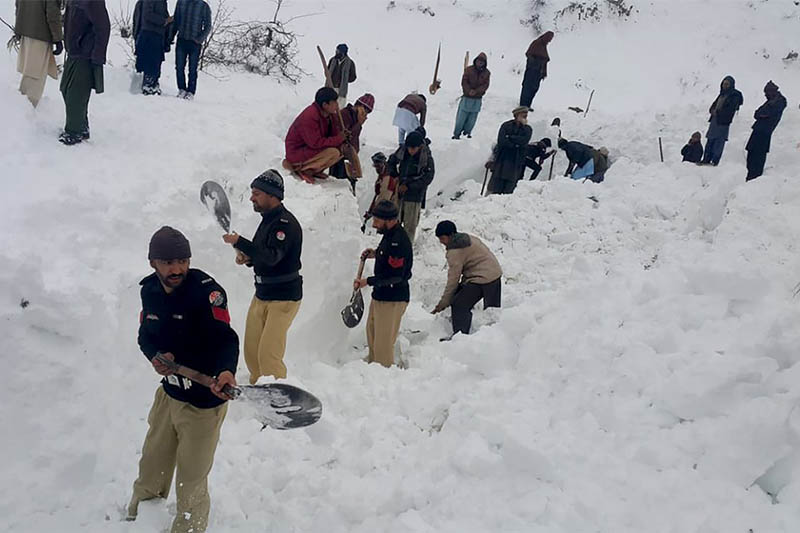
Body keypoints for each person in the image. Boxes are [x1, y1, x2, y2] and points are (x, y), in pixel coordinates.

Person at [127, 226, 239, 533]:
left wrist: (226, 370)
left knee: (191, 479)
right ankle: (139, 521)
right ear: (153, 263)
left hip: (203, 403)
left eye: (182, 261)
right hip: (169, 396)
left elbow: (226, 339)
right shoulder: (149, 290)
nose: (177, 269)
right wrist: (155, 356)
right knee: (152, 465)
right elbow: (144, 335)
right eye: (168, 262)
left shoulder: (207, 293)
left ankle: (188, 528)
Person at [222, 170, 303, 383]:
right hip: (262, 294)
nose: (251, 198)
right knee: (252, 353)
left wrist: (239, 241)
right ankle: (260, 396)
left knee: (268, 356)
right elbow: (263, 255)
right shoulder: (268, 220)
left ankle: (279, 400)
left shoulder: (284, 223)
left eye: (256, 193)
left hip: (284, 297)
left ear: (272, 195)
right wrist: (249, 258)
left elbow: (271, 257)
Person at [353, 201, 413, 367]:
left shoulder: (398, 241)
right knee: (372, 334)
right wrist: (376, 254)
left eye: (377, 221)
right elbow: (388, 258)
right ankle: (373, 366)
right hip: (381, 295)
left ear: (389, 220)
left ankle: (383, 372)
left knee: (383, 342)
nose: (374, 224)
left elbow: (395, 276)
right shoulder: (389, 236)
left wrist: (368, 281)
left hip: (393, 298)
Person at [432, 221, 502, 337]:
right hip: (495, 274)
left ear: (450, 236)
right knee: (493, 313)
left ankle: (460, 337)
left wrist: (443, 303)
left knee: (459, 305)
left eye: (442, 238)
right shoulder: (467, 238)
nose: (441, 242)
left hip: (482, 278)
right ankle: (496, 337)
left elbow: (453, 281)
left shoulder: (455, 252)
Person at [59, 0, 110, 145]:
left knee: (75, 93)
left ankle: (74, 132)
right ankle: (81, 126)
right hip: (73, 52)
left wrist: (97, 55)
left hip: (85, 54)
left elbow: (103, 28)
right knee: (65, 89)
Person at [283, 87, 346, 183]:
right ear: (325, 105)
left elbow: (332, 134)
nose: (337, 105)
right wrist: (338, 139)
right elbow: (315, 143)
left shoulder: (329, 115)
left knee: (340, 151)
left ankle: (313, 170)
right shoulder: (310, 116)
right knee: (333, 152)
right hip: (296, 152)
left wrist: (342, 137)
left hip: (309, 150)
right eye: (334, 102)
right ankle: (301, 168)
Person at [388, 130, 435, 244]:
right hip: (399, 194)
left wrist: (410, 186)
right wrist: (394, 175)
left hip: (414, 196)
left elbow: (428, 177)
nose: (411, 151)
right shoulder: (402, 151)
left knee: (410, 225)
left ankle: (406, 248)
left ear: (420, 146)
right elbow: (391, 161)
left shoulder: (426, 158)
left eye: (413, 148)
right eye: (409, 148)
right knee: (394, 222)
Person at [14, 0, 63, 108]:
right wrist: (58, 38)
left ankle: (21, 107)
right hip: (40, 34)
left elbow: (18, 6)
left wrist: (18, 30)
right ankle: (26, 111)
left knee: (29, 71)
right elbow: (52, 14)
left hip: (26, 30)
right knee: (35, 75)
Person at [170, 0, 212, 99]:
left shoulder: (203, 6)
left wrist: (200, 39)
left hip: (195, 43)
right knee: (179, 67)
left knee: (192, 69)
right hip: (182, 39)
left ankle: (191, 92)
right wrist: (171, 36)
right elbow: (176, 21)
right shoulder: (181, 2)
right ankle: (181, 89)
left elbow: (208, 26)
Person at [745, 81, 787, 181]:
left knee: (759, 155)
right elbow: (757, 113)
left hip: (765, 132)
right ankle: (750, 175)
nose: (765, 95)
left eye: (766, 92)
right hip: (758, 129)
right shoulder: (770, 101)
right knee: (751, 152)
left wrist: (762, 114)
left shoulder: (779, 101)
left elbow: (768, 113)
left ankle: (755, 177)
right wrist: (762, 114)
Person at [486, 106, 533, 194]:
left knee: (510, 184)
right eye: (523, 115)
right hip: (503, 158)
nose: (525, 117)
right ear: (517, 115)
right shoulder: (506, 125)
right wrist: (515, 144)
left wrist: (510, 137)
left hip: (516, 159)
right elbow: (501, 140)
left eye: (526, 115)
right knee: (497, 182)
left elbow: (524, 141)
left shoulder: (527, 129)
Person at [329, 93, 374, 181]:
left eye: (368, 111)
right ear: (359, 106)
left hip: (348, 157)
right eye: (365, 109)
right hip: (340, 155)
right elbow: (347, 137)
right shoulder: (345, 115)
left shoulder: (356, 118)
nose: (365, 113)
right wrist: (358, 124)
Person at [700, 76, 743, 166]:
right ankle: (706, 159)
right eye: (724, 83)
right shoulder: (722, 94)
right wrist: (712, 111)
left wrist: (718, 113)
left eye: (727, 84)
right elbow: (713, 105)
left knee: (719, 142)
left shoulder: (734, 96)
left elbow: (730, 110)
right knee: (710, 140)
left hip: (723, 122)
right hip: (715, 120)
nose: (725, 86)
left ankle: (715, 161)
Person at [132, 0, 172, 95]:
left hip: (157, 36)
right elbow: (147, 15)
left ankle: (153, 85)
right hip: (150, 35)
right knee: (151, 62)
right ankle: (148, 86)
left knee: (155, 62)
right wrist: (164, 21)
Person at [452, 52, 490, 140]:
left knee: (472, 120)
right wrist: (468, 91)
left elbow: (485, 85)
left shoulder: (487, 73)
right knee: (461, 118)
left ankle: (467, 134)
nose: (480, 63)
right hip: (466, 98)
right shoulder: (468, 70)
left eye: (482, 62)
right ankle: (456, 134)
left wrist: (476, 91)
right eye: (478, 61)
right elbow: (464, 81)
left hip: (477, 99)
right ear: (475, 61)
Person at [362, 152, 399, 232]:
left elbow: (383, 199)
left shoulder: (388, 178)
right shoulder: (382, 175)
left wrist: (373, 212)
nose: (377, 168)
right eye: (375, 166)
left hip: (388, 212)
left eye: (378, 166)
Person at [520, 31, 553, 108]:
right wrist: (534, 62)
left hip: (538, 72)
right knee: (527, 88)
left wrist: (543, 72)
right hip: (531, 71)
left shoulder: (544, 47)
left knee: (534, 88)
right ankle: (523, 105)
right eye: (549, 38)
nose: (550, 41)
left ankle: (528, 105)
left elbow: (544, 61)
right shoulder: (536, 43)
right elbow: (529, 54)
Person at [327, 43, 357, 108]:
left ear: (343, 53)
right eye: (336, 50)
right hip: (330, 87)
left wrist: (344, 79)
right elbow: (327, 71)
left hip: (341, 90)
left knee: (339, 108)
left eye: (338, 51)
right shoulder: (332, 60)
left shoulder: (350, 63)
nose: (336, 52)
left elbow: (353, 77)